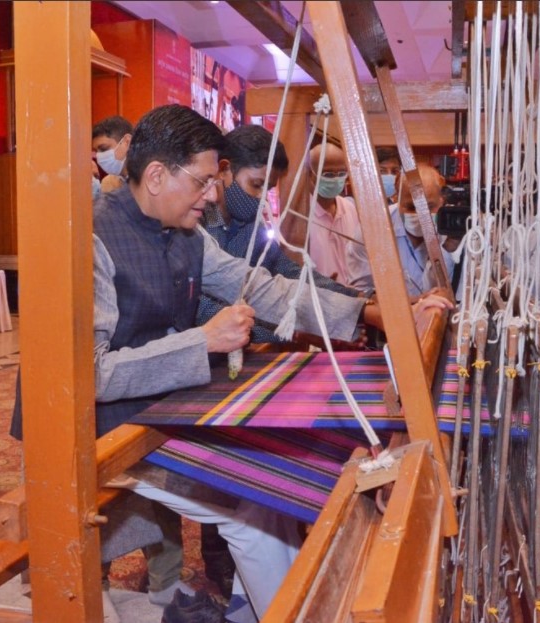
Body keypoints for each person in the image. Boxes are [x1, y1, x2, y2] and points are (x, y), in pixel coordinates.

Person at [92, 104, 454, 622]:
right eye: (202, 181)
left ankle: (260, 607)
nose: (213, 195)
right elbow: (94, 374)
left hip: (162, 409)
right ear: (155, 176)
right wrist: (202, 342)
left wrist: (378, 314)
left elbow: (262, 287)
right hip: (109, 428)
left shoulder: (186, 235)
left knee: (265, 505)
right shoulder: (94, 239)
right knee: (248, 515)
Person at [199, 124, 360, 344]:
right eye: (256, 185)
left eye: (267, 189)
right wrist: (293, 332)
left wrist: (355, 299)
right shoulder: (197, 225)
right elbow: (203, 310)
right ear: (224, 170)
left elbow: (287, 271)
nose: (261, 197)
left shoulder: (252, 226)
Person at [345, 163, 455, 299]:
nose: (421, 215)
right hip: (387, 313)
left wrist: (450, 247)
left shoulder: (453, 230)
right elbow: (361, 293)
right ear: (396, 199)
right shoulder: (372, 230)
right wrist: (416, 303)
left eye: (429, 207)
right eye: (411, 207)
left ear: (441, 201)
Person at [306, 142, 361, 286]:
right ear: (310, 173)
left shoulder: (350, 208)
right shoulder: (300, 215)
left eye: (342, 173)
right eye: (328, 174)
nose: (336, 179)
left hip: (355, 294)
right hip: (318, 295)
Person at [92, 115, 133, 193]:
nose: (99, 156)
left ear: (127, 142)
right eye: (96, 151)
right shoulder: (108, 183)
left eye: (103, 148)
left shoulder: (150, 176)